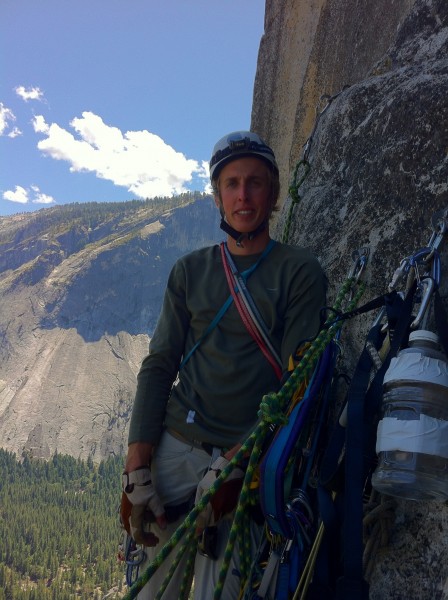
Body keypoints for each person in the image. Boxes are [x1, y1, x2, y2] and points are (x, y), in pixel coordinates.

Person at [122, 131, 327, 599]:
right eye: (231, 184)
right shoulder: (190, 272)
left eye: (255, 183)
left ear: (274, 193)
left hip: (247, 454)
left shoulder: (299, 273)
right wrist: (136, 470)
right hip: (176, 447)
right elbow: (159, 366)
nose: (243, 195)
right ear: (217, 196)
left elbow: (298, 383)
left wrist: (241, 467)